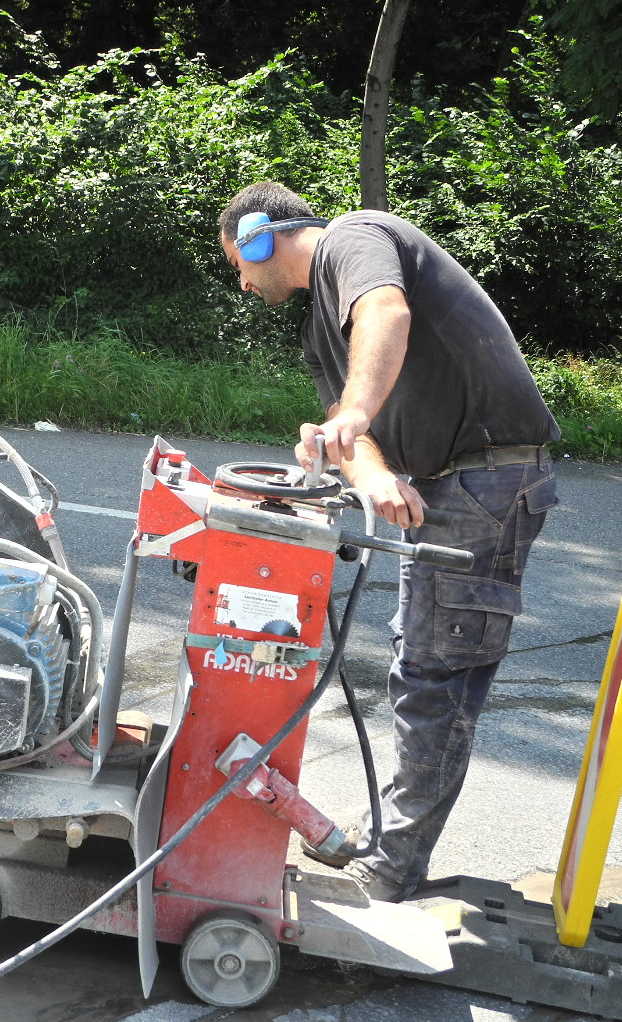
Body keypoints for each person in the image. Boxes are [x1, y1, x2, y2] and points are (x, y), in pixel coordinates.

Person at [217, 181, 560, 901]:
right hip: (444, 485)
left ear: (259, 238)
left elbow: (386, 313)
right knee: (418, 665)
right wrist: (369, 470)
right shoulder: (318, 328)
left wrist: (356, 412)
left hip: (486, 476)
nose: (242, 284)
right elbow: (350, 432)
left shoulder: (355, 237)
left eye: (238, 265)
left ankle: (394, 867)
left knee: (436, 678)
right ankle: (392, 845)